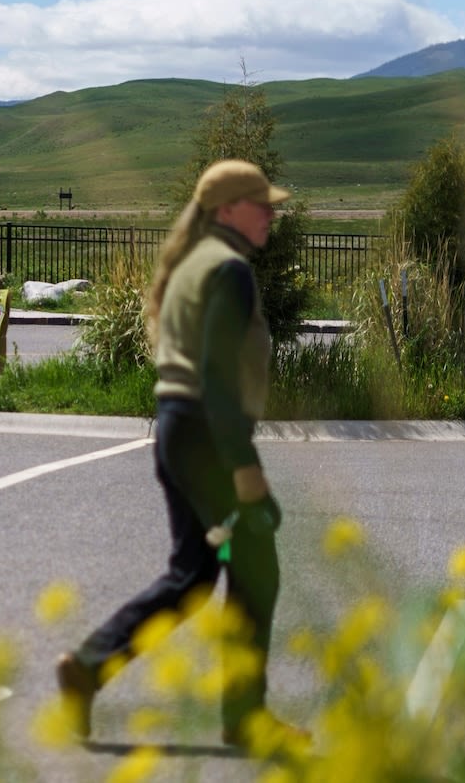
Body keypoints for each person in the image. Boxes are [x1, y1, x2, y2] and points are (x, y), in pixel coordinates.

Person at [52, 159, 308, 754]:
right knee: (255, 569)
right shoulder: (228, 271)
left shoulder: (195, 265)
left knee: (194, 571)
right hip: (205, 435)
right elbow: (218, 380)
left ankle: (88, 667)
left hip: (178, 431)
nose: (270, 212)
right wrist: (246, 473)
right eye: (259, 202)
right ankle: (244, 717)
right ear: (226, 211)